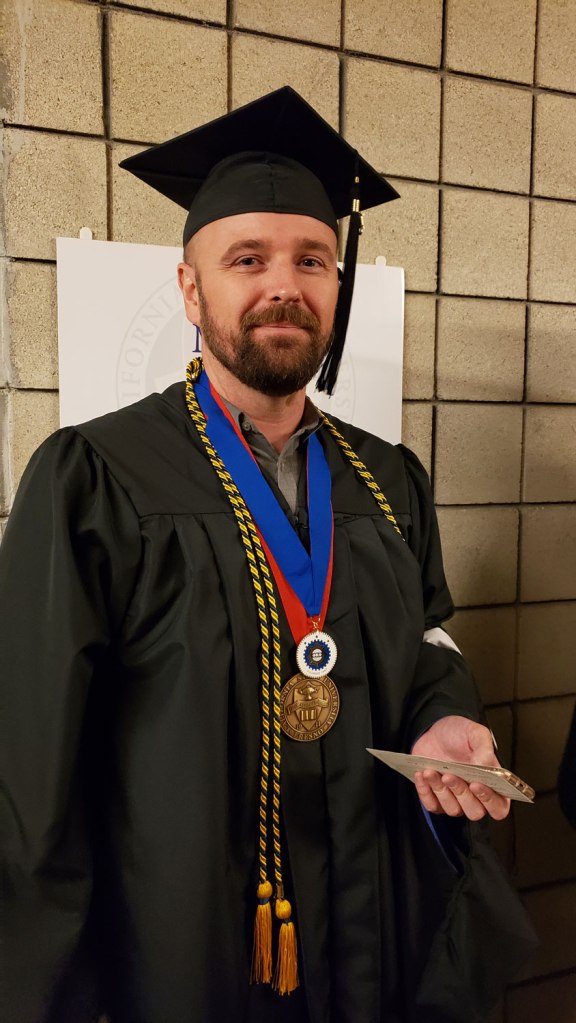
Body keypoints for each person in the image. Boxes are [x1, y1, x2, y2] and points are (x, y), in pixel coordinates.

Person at [0, 88, 536, 1023]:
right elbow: (33, 768)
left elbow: (427, 652)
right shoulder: (94, 479)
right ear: (189, 286)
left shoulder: (387, 479)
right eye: (246, 258)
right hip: (183, 940)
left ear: (337, 283)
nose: (283, 284)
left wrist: (443, 720)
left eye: (312, 260)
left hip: (370, 926)